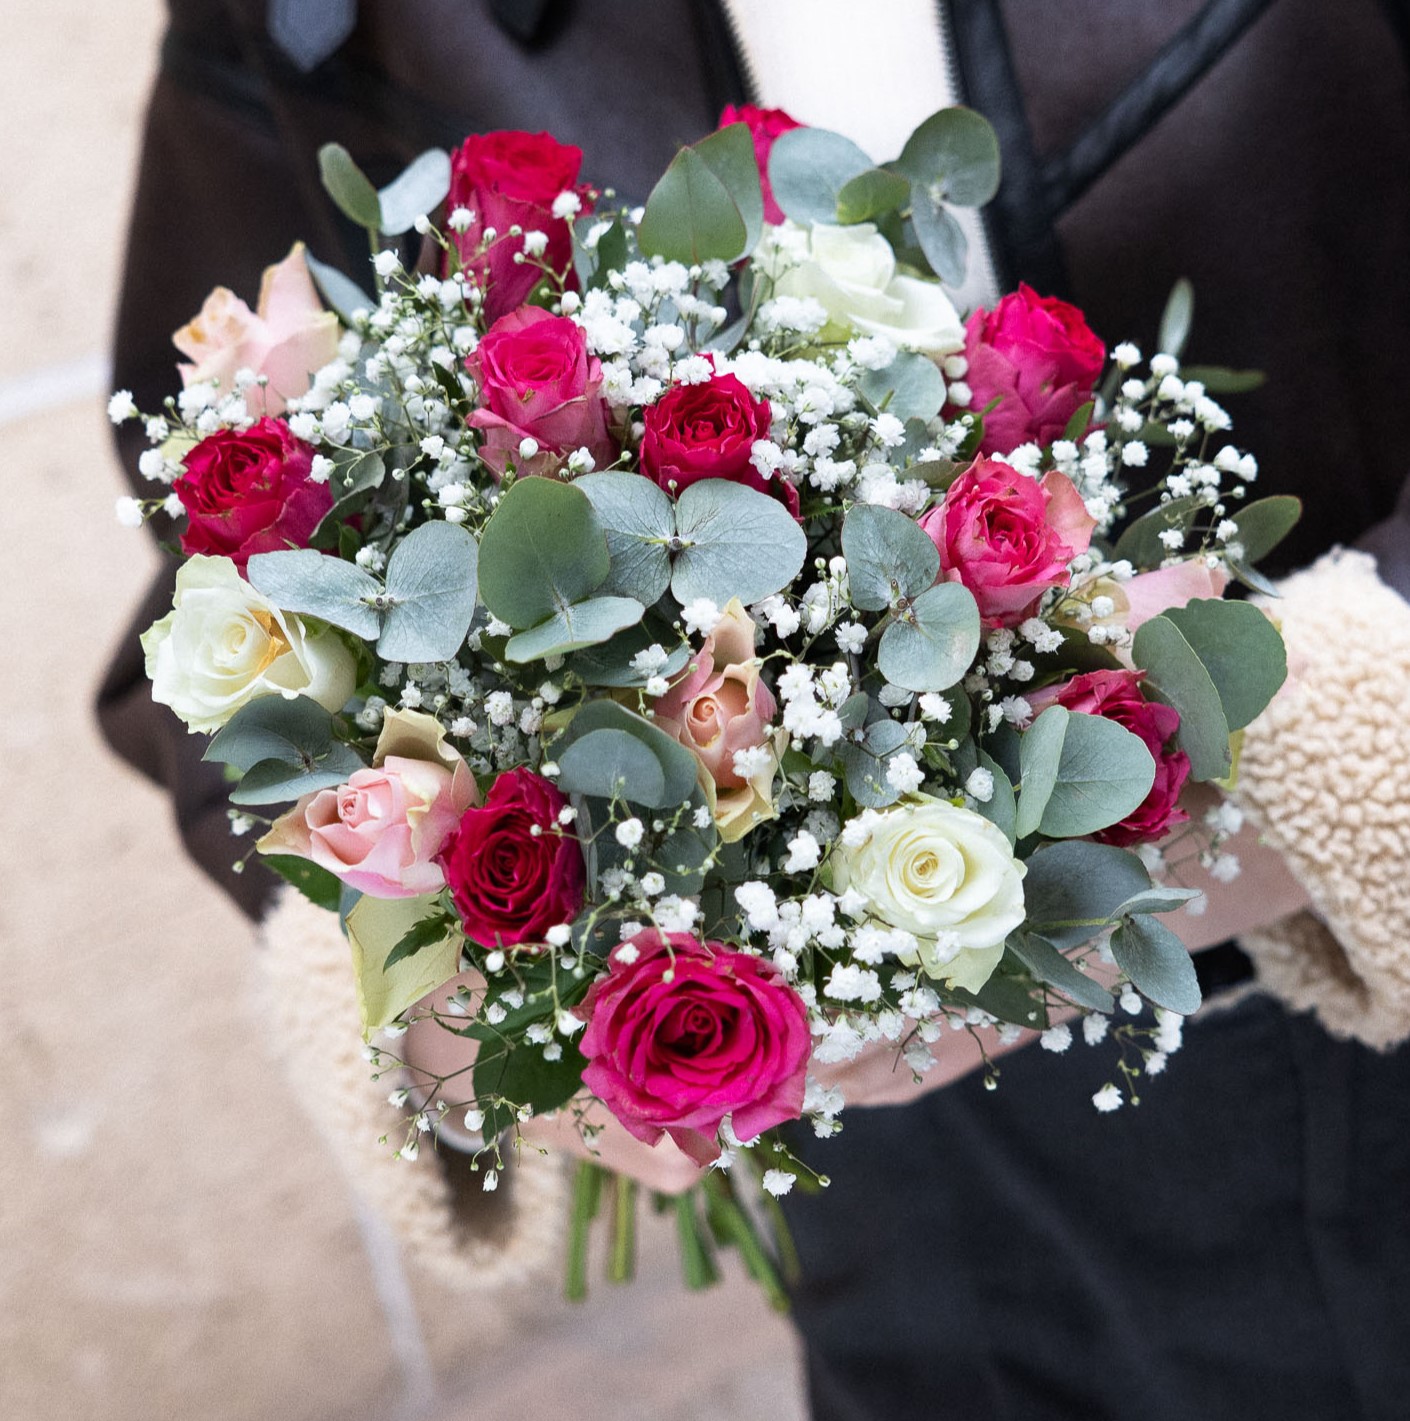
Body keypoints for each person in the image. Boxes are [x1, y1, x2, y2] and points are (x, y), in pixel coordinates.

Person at [101, 1, 1410, 1416]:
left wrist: (1294, 779)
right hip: (861, 1151)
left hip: (1333, 1003)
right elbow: (223, 597)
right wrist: (469, 980)